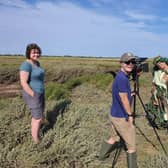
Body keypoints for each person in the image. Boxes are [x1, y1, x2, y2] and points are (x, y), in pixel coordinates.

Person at [98, 52, 137, 168]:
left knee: (114, 137)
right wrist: (130, 116)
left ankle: (101, 156)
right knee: (131, 147)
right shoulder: (122, 79)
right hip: (121, 116)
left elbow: (123, 94)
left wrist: (131, 93)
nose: (130, 64)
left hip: (114, 114)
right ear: (121, 63)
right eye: (127, 62)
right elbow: (124, 99)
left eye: (133, 62)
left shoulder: (120, 76)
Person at [19, 43, 45, 144]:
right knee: (38, 118)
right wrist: (33, 95)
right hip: (32, 94)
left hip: (40, 92)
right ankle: (36, 141)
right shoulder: (26, 64)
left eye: (38, 52)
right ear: (28, 53)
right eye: (34, 52)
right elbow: (23, 83)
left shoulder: (37, 63)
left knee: (38, 116)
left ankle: (36, 134)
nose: (36, 54)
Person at [150, 56, 168, 125]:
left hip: (165, 91)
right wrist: (153, 90)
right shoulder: (157, 71)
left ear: (164, 62)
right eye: (158, 64)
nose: (160, 65)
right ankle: (164, 120)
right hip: (159, 92)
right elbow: (154, 82)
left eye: (161, 63)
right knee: (160, 106)